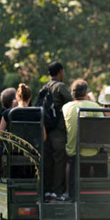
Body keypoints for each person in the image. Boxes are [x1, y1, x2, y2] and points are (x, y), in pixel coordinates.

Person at [63, 79, 103, 199]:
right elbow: (103, 128)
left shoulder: (66, 107)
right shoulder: (95, 106)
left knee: (69, 160)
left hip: (73, 151)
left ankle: (68, 191)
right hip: (92, 151)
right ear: (86, 93)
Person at [42, 61, 73, 200]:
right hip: (58, 131)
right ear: (60, 72)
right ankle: (57, 192)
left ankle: (47, 190)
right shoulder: (60, 87)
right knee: (60, 160)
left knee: (48, 161)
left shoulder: (44, 88)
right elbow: (72, 102)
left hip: (45, 130)